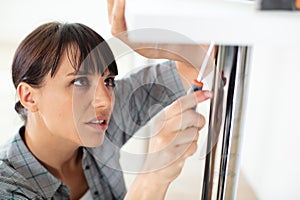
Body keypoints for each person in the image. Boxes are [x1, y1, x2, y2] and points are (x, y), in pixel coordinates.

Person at [0, 5, 212, 200]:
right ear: (29, 97)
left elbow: (201, 59)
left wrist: (154, 46)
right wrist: (152, 179)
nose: (105, 101)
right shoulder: (7, 188)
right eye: (80, 81)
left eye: (108, 81)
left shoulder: (100, 119)